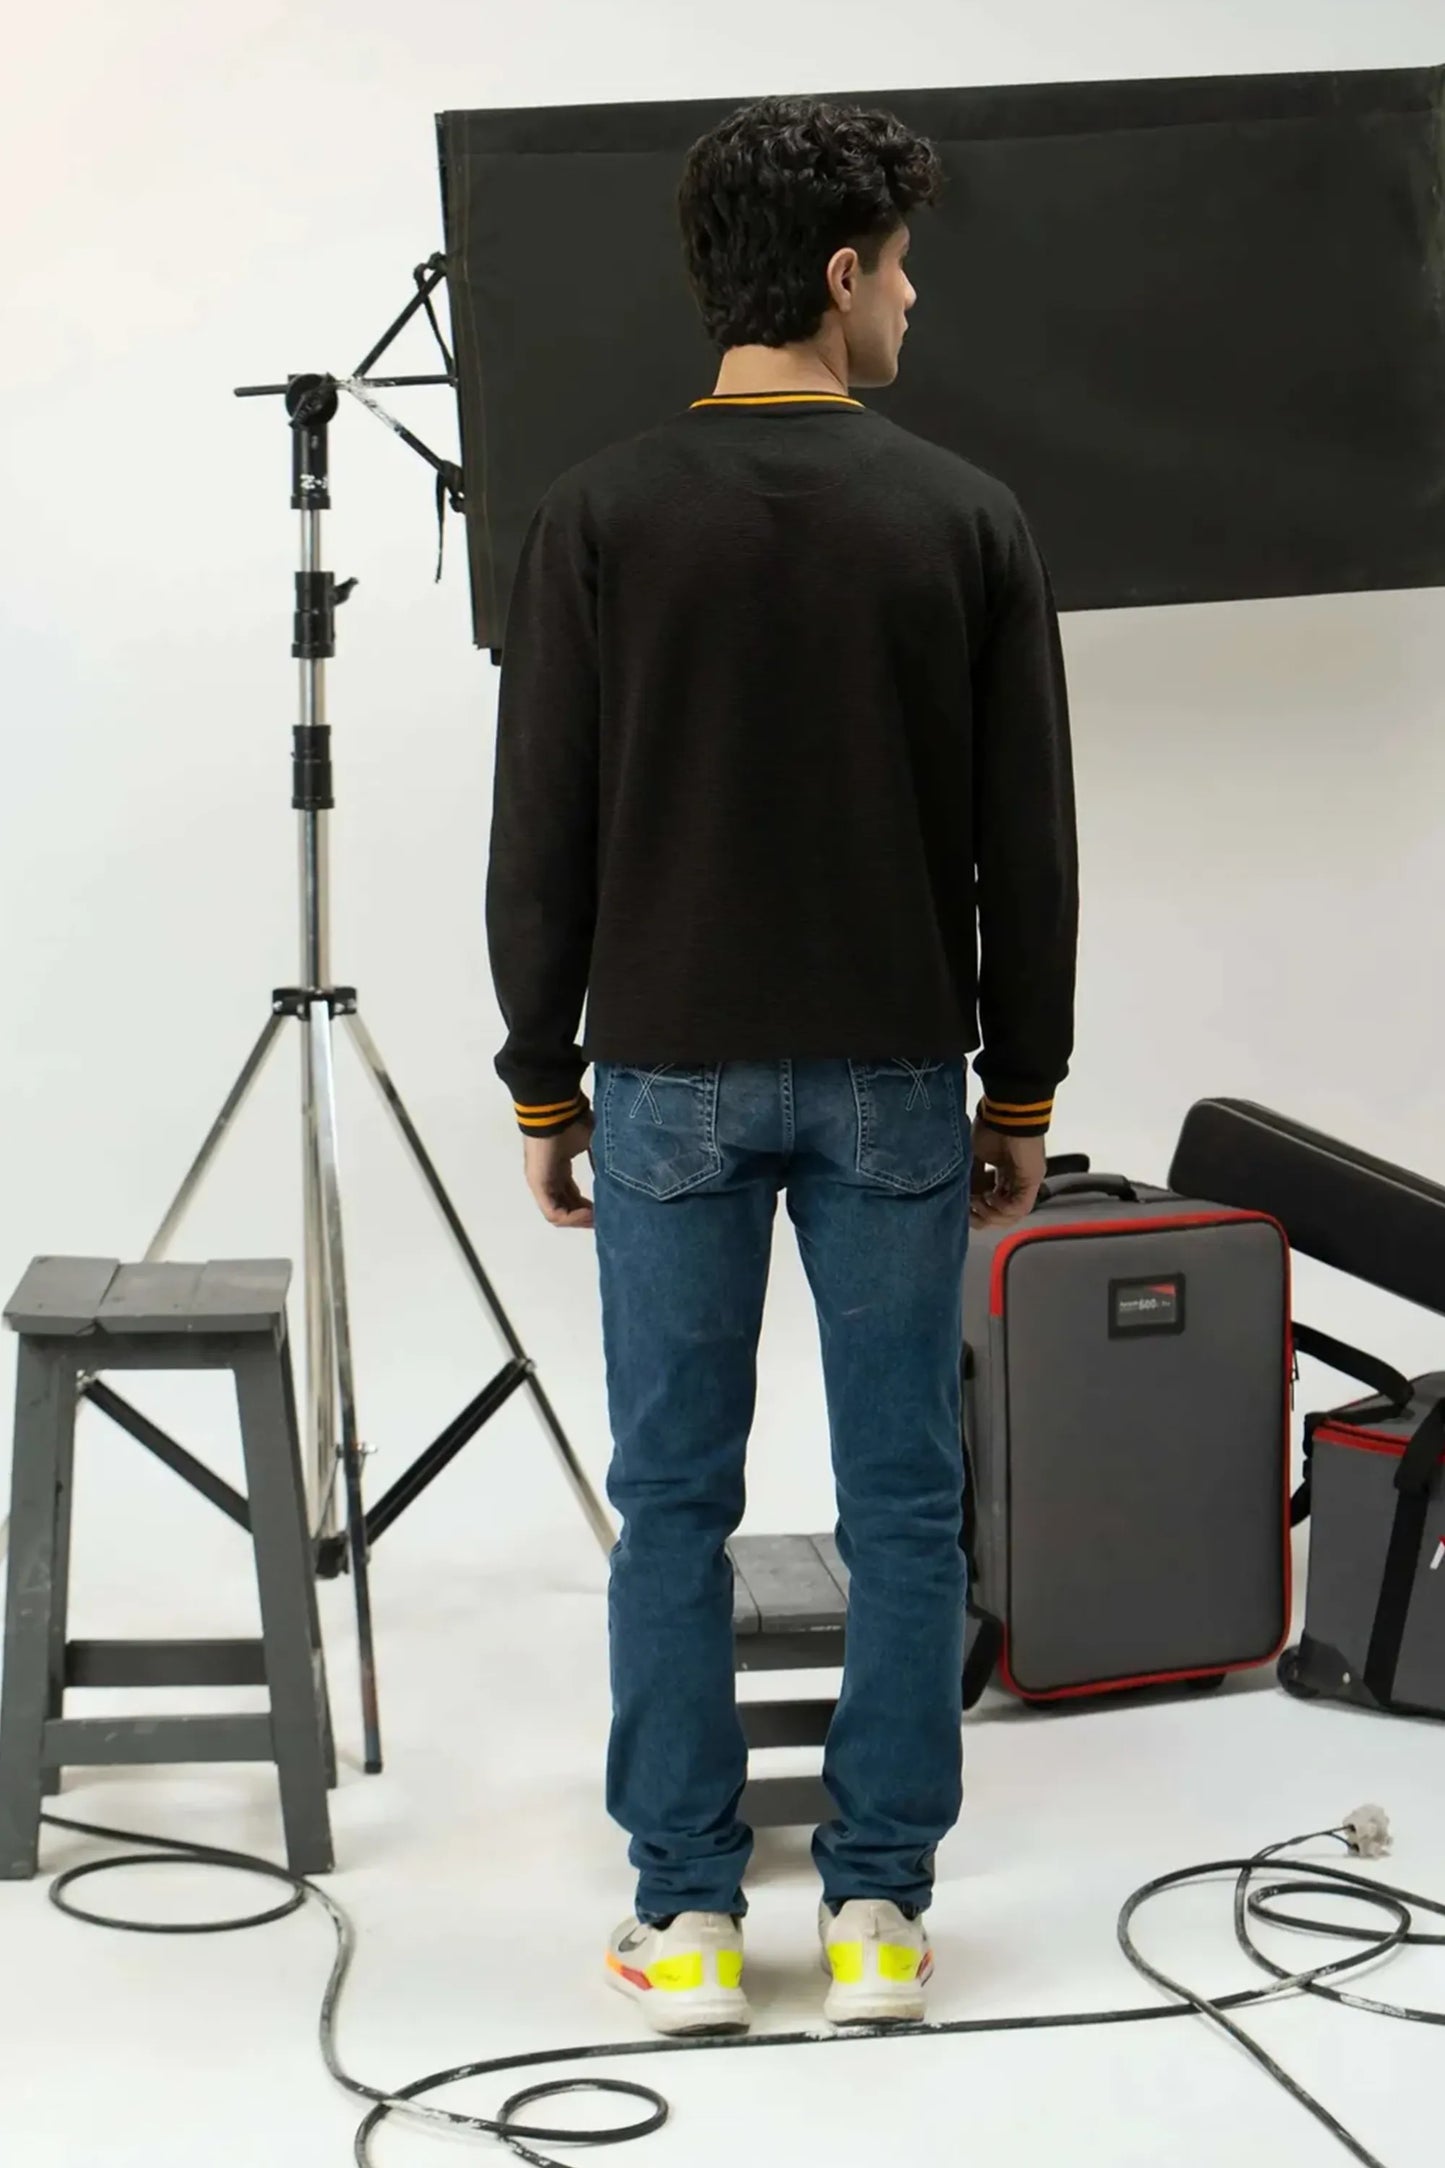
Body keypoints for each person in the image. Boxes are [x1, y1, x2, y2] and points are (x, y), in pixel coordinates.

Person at [486, 94, 1078, 2037]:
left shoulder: (593, 514)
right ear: (839, 275)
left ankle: (682, 1922)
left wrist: (543, 1085)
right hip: (903, 1080)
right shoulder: (965, 517)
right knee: (905, 1503)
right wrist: (1025, 1094)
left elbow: (542, 836)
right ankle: (882, 1917)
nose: (917, 296)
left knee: (674, 1499)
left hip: (666, 1075)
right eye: (902, 264)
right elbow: (1028, 843)